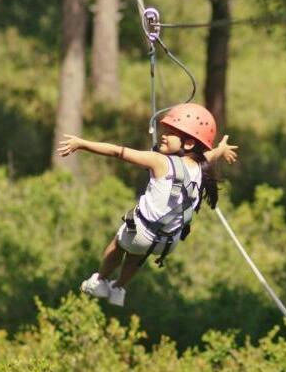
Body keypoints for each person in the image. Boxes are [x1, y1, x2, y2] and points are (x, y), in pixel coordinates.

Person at [56, 103, 238, 306]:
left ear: (187, 144)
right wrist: (222, 149)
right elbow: (212, 154)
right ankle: (118, 288)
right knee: (138, 254)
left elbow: (118, 152)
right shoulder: (202, 165)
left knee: (118, 245)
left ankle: (99, 281)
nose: (164, 135)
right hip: (168, 243)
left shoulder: (159, 161)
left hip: (141, 232)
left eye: (171, 133)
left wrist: (81, 143)